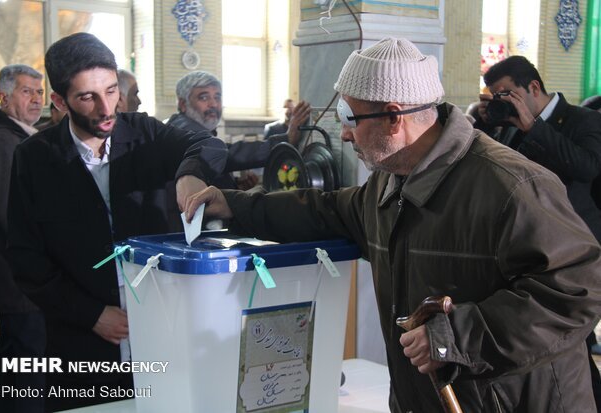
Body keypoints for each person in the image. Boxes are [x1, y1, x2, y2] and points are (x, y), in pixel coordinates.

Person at [183, 38, 601, 412]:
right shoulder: (391, 181)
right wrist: (233, 205)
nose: (345, 135)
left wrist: (457, 336)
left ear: (394, 117)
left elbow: (577, 292)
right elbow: (323, 210)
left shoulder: (511, 185)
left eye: (350, 117)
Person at [7, 32, 223, 411]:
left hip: (160, 322)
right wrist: (92, 315)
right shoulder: (34, 159)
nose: (106, 108)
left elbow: (206, 146)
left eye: (110, 91)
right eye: (87, 97)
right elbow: (27, 259)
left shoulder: (145, 133)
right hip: (81, 337)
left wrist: (189, 172)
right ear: (59, 101)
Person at [479, 56, 601, 410]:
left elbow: (587, 166)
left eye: (506, 94)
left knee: (570, 338)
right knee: (559, 342)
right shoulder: (513, 124)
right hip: (531, 246)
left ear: (533, 87)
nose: (502, 102)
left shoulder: (584, 120)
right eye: (495, 97)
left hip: (578, 248)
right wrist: (487, 125)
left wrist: (534, 127)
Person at [0, 64, 46, 413]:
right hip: (20, 277)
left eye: (39, 92)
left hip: (21, 277)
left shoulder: (20, 137)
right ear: (4, 97)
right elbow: (9, 216)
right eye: (26, 92)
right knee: (26, 363)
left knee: (18, 363)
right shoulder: (3, 142)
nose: (36, 99)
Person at [167, 71, 311, 190]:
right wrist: (286, 139)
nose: (213, 104)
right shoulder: (183, 129)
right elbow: (226, 154)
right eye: (203, 97)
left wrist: (234, 186)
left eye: (217, 97)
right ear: (183, 104)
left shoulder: (194, 127)